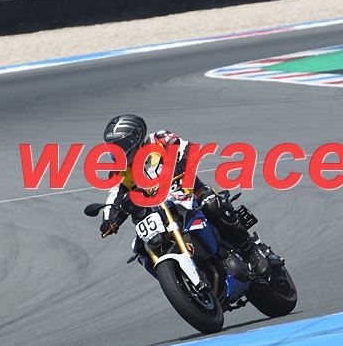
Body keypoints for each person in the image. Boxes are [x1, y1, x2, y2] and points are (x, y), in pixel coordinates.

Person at [97, 114, 270, 280]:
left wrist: (180, 164)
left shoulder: (160, 139)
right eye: (113, 148)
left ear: (136, 137)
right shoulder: (119, 172)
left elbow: (188, 148)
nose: (117, 152)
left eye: (120, 145)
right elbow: (114, 197)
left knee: (212, 205)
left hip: (189, 194)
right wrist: (109, 219)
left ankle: (250, 251)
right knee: (141, 248)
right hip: (156, 214)